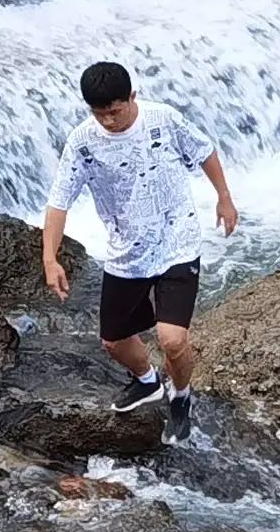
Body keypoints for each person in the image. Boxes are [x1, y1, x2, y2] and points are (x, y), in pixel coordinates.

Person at [42, 61, 237, 442]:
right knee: (113, 342)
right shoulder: (83, 142)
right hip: (127, 252)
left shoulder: (163, 119)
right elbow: (59, 201)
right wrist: (50, 258)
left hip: (177, 242)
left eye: (115, 111)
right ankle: (148, 382)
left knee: (172, 340)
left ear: (132, 97)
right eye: (99, 114)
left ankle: (181, 396)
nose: (108, 121)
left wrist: (224, 198)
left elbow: (205, 151)